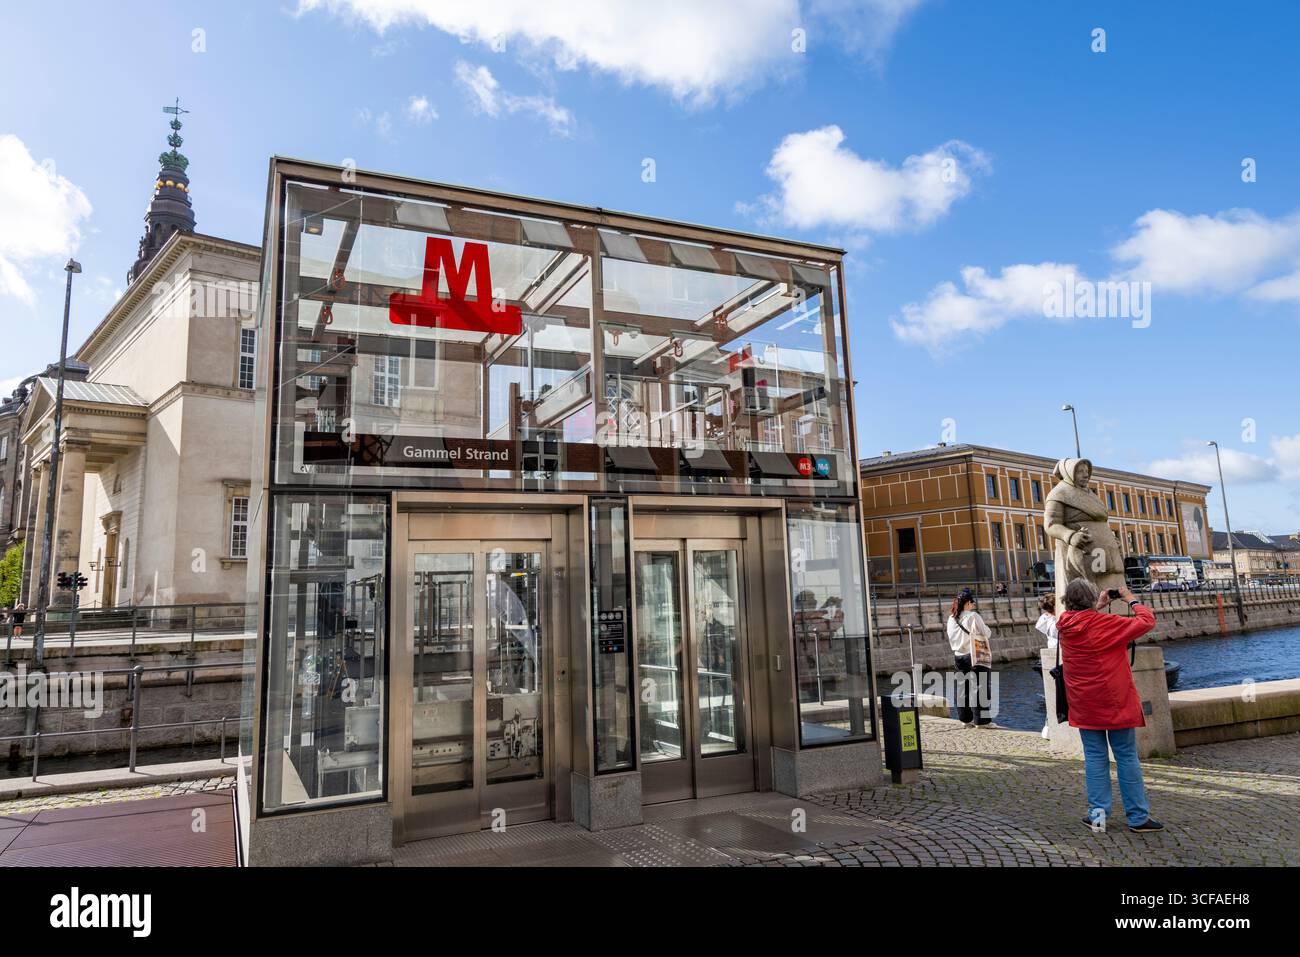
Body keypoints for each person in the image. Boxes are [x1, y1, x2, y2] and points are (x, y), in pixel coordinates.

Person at [1057, 577, 1164, 833]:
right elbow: (1146, 621)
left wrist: (1096, 607)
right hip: (1114, 702)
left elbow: (1085, 624)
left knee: (1094, 758)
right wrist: (1131, 599)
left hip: (1083, 702)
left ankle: (1098, 816)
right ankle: (1138, 818)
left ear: (1068, 601)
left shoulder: (1064, 625)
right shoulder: (1106, 623)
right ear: (1092, 598)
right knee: (1126, 757)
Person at [945, 588, 998, 728]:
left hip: (958, 656)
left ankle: (965, 719)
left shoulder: (951, 618)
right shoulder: (973, 616)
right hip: (974, 655)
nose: (973, 605)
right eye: (972, 602)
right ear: (967, 603)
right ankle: (982, 721)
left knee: (963, 688)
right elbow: (986, 633)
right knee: (980, 687)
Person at [1035, 593, 1059, 739]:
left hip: (1050, 657)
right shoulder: (1056, 621)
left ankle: (1048, 728)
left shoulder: (1045, 619)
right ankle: (1051, 727)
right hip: (1060, 658)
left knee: (1053, 696)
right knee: (1059, 695)